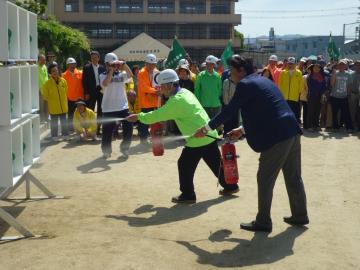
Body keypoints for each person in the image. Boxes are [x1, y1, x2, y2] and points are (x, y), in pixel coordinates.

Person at [194, 55, 308, 233]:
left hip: (277, 135)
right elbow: (265, 111)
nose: (230, 75)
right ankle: (300, 215)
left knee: (265, 178)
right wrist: (242, 130)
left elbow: (229, 110)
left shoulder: (245, 84)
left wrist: (206, 128)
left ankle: (263, 222)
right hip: (291, 129)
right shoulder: (263, 80)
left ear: (242, 70)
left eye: (232, 71)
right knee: (293, 176)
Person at [126, 69, 239, 203]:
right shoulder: (185, 92)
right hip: (208, 134)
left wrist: (139, 117)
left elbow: (158, 115)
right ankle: (230, 186)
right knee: (215, 163)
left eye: (162, 87)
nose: (161, 90)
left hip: (197, 139)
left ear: (169, 85)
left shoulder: (176, 102)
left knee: (184, 164)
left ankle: (188, 195)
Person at [100, 53, 133, 158]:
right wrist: (111, 70)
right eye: (111, 64)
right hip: (108, 108)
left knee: (128, 127)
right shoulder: (103, 75)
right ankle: (106, 151)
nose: (115, 66)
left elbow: (130, 75)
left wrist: (123, 64)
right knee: (107, 131)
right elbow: (105, 84)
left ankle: (125, 148)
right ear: (106, 64)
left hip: (123, 106)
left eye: (115, 64)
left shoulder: (121, 74)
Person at [42, 64, 69, 141]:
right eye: (53, 71)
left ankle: (65, 135)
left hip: (63, 106)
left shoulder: (63, 81)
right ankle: (54, 136)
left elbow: (66, 92)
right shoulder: (47, 84)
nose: (55, 72)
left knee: (64, 121)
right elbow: (45, 97)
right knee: (54, 123)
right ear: (50, 73)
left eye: (56, 70)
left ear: (58, 71)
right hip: (53, 107)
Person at [137, 53, 160, 144]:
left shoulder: (157, 72)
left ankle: (154, 139)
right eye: (149, 64)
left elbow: (159, 85)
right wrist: (155, 91)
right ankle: (143, 140)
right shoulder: (141, 73)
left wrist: (160, 90)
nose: (151, 66)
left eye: (153, 64)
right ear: (145, 64)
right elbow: (143, 88)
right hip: (145, 102)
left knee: (155, 122)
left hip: (155, 102)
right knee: (144, 122)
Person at [82, 51, 106, 135]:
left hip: (101, 91)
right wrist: (86, 93)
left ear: (99, 58)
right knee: (90, 110)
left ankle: (98, 129)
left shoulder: (102, 68)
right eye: (92, 57)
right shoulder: (86, 67)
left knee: (101, 110)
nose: (94, 59)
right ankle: (90, 129)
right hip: (91, 92)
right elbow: (84, 81)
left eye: (95, 57)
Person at [330, 59, 354, 133]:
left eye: (343, 64)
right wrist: (334, 74)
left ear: (346, 66)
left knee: (346, 113)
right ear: (338, 65)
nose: (341, 66)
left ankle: (349, 127)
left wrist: (348, 94)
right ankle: (335, 127)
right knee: (334, 113)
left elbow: (350, 86)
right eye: (340, 64)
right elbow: (332, 84)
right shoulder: (335, 73)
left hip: (344, 97)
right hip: (334, 97)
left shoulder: (349, 74)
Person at [278, 57, 304, 123]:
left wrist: (299, 93)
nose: (290, 65)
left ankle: (294, 126)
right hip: (285, 97)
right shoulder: (283, 72)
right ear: (287, 64)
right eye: (289, 63)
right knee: (285, 112)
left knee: (295, 112)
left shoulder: (299, 73)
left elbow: (301, 84)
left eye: (292, 64)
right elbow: (280, 84)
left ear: (295, 64)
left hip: (295, 97)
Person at [62, 57, 84, 132]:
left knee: (81, 113)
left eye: (73, 64)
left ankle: (81, 127)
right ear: (67, 65)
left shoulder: (80, 73)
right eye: (70, 64)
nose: (72, 66)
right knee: (71, 114)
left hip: (79, 98)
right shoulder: (64, 75)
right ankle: (71, 128)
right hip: (69, 98)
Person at [306, 62, 327, 131]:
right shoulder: (310, 77)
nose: (316, 69)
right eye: (315, 67)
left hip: (319, 96)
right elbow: (311, 87)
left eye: (318, 67)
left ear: (320, 68)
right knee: (311, 111)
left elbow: (324, 86)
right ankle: (310, 126)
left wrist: (323, 93)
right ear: (312, 68)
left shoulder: (322, 76)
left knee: (318, 111)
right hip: (312, 96)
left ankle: (316, 125)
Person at [349, 60, 360, 131]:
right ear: (354, 66)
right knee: (352, 111)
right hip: (352, 94)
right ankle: (352, 125)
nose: (358, 66)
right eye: (356, 65)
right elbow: (349, 85)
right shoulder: (351, 74)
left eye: (359, 65)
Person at [38, 54, 49, 123]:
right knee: (41, 105)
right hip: (39, 89)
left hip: (46, 89)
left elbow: (46, 77)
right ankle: (42, 119)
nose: (44, 61)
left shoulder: (45, 66)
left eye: (45, 59)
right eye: (43, 60)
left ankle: (46, 118)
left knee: (46, 105)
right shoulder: (35, 67)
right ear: (39, 60)